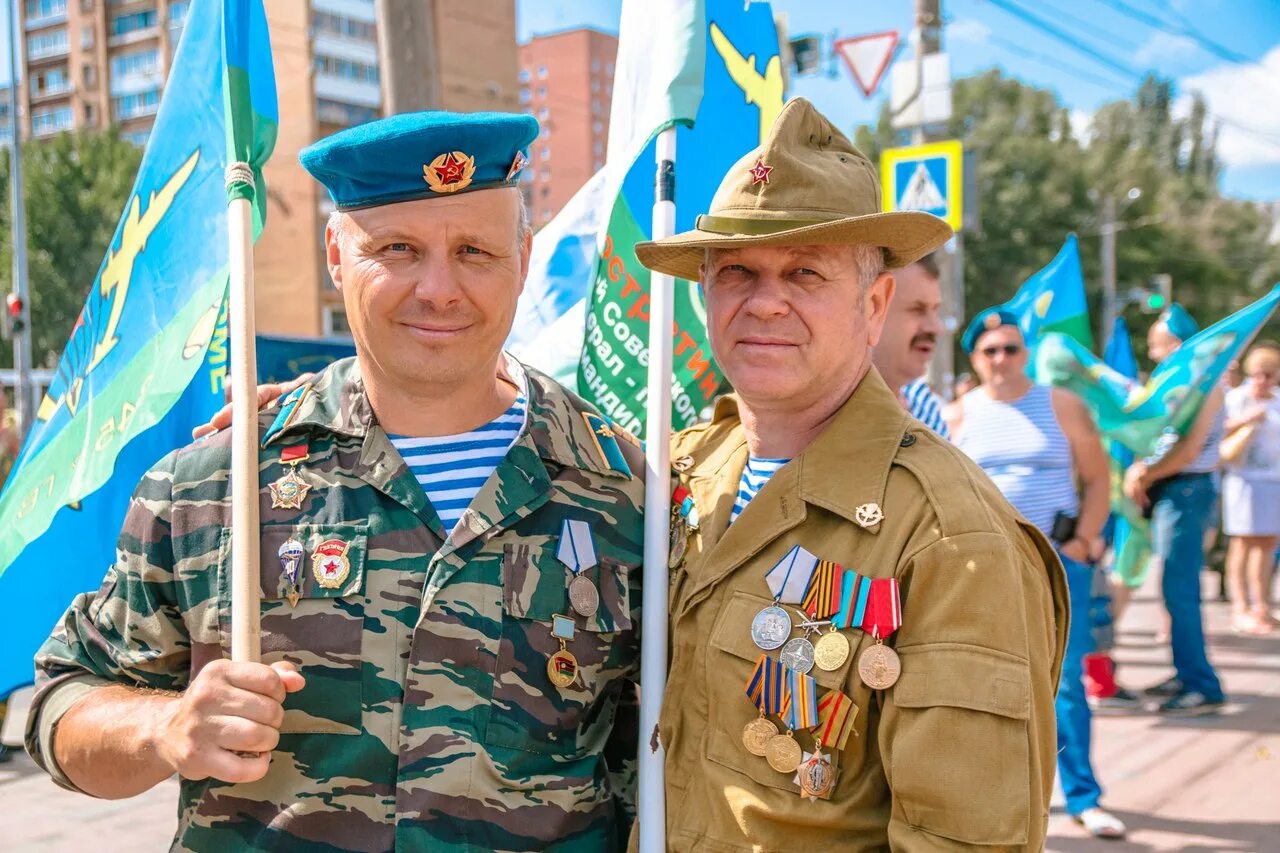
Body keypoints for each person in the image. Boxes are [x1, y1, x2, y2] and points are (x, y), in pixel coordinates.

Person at [24, 112, 648, 851]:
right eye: (399, 249)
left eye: (475, 250)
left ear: (523, 257)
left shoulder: (625, 491)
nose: (439, 288)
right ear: (336, 255)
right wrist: (167, 727)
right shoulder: (217, 486)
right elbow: (61, 706)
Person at [630, 98, 1067, 851]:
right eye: (735, 271)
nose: (766, 301)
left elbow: (965, 840)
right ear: (703, 295)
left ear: (874, 304)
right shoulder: (690, 466)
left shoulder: (949, 535)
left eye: (805, 272)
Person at [947, 308, 1122, 840]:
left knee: (1065, 682)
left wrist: (1085, 540)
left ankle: (1083, 797)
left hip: (1059, 565)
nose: (1002, 359)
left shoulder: (1060, 404)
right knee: (983, 683)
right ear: (974, 359)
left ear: (1026, 353)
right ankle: (1000, 801)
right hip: (986, 570)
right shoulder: (958, 415)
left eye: (1012, 348)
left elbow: (1097, 479)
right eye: (990, 351)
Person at [1122, 304, 1227, 715]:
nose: (1153, 355)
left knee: (1180, 590)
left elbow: (1186, 451)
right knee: (1173, 589)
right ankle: (1187, 672)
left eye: (1157, 345)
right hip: (1177, 491)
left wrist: (1145, 475)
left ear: (1178, 345)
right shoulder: (1190, 384)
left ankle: (1202, 684)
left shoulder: (1207, 384)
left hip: (1186, 491)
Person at [1221, 343, 1280, 635]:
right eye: (1257, 374)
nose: (1262, 380)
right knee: (1242, 543)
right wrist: (1249, 418)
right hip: (1243, 481)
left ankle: (1262, 605)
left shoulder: (1278, 401)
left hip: (1273, 481)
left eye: (1268, 374)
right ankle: (1240, 606)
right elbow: (1219, 428)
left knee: (1266, 545)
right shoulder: (1237, 398)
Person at [871, 251, 950, 437]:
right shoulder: (821, 416)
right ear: (872, 308)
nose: (936, 327)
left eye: (935, 310)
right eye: (917, 309)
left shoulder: (922, 402)